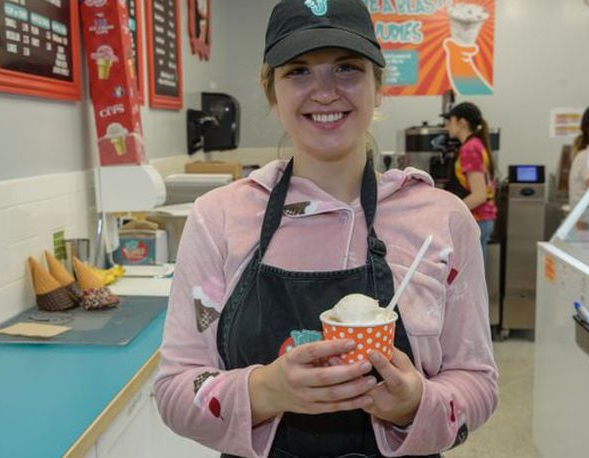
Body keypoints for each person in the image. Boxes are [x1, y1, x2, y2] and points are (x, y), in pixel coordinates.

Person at [153, 1, 498, 457]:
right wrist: (265, 391)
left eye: (347, 69)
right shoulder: (218, 218)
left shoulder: (444, 220)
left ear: (379, 89)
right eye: (298, 71)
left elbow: (477, 383)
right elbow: (176, 388)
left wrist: (415, 405)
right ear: (272, 94)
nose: (325, 92)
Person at [443, 102, 498, 255]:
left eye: (450, 121)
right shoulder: (477, 144)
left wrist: (449, 211)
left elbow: (479, 195)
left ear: (462, 123)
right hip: (480, 220)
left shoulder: (470, 149)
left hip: (476, 219)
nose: (447, 126)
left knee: (471, 277)